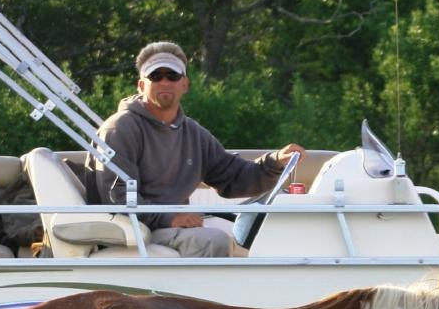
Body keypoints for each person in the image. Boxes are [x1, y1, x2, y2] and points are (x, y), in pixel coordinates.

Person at [86, 41, 303, 257]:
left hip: (166, 230)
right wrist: (169, 218)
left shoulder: (193, 133)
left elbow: (233, 176)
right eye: (155, 76)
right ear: (141, 85)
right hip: (137, 233)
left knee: (267, 239)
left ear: (185, 84)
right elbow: (117, 197)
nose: (164, 82)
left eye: (172, 76)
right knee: (215, 240)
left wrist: (275, 162)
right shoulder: (119, 128)